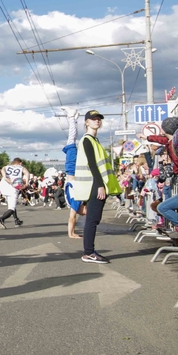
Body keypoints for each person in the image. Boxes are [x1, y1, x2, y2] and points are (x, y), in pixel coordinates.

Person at [72, 110, 122, 263]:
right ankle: (88, 253)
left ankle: (89, 252)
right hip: (94, 185)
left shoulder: (94, 140)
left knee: (93, 219)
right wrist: (100, 185)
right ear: (86, 122)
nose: (97, 121)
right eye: (93, 119)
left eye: (99, 119)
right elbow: (92, 164)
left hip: (95, 185)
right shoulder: (87, 140)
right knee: (92, 220)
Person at [60, 107, 87, 239]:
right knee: (72, 140)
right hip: (74, 170)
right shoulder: (76, 202)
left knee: (72, 140)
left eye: (85, 212)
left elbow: (71, 219)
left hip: (73, 169)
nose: (86, 212)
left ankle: (71, 117)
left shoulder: (76, 203)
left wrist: (72, 234)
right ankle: (73, 119)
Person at [0, 158, 29, 229]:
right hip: (14, 185)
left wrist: (5, 177)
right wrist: (26, 183)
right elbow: (27, 173)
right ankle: (1, 219)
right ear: (20, 163)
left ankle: (16, 220)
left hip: (3, 185)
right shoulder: (21, 167)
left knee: (11, 204)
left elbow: (2, 170)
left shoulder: (6, 166)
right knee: (11, 208)